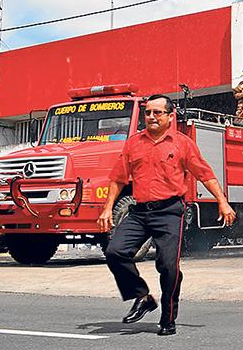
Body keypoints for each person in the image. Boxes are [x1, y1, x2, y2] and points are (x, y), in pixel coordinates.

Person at [99, 94, 236, 336]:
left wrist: (222, 202)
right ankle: (142, 297)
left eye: (157, 112)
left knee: (168, 266)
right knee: (115, 252)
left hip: (170, 212)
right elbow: (118, 178)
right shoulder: (133, 143)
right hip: (139, 211)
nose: (151, 117)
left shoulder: (182, 143)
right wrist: (108, 208)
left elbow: (205, 174)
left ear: (170, 116)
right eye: (148, 112)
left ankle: (168, 317)